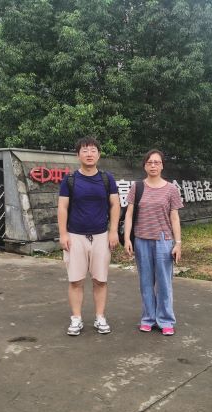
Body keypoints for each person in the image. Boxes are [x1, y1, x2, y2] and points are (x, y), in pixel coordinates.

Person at [57, 136, 120, 336]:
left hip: (101, 236)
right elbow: (62, 207)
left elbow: (115, 205)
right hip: (75, 236)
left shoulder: (107, 179)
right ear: (78, 155)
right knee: (75, 280)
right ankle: (76, 318)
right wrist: (63, 234)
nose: (89, 154)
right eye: (84, 150)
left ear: (99, 155)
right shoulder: (70, 180)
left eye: (93, 150)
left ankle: (100, 317)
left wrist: (113, 231)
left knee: (100, 280)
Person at [124, 149, 183, 336]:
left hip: (164, 241)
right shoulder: (137, 187)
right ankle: (148, 318)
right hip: (141, 240)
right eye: (149, 162)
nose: (153, 165)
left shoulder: (171, 189)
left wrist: (178, 243)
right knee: (146, 282)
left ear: (162, 165)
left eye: (157, 162)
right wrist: (127, 238)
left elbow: (175, 217)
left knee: (164, 283)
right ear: (144, 166)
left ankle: (165, 320)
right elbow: (129, 214)